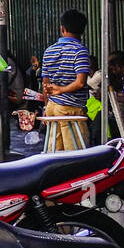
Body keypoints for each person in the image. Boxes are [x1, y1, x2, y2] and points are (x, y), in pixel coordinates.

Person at [41, 8, 93, 151]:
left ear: (62, 28)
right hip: (71, 110)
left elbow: (45, 83)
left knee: (54, 154)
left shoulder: (49, 51)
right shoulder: (80, 51)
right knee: (75, 155)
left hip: (52, 108)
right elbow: (81, 82)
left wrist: (46, 106)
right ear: (82, 31)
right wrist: (62, 90)